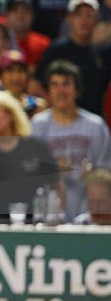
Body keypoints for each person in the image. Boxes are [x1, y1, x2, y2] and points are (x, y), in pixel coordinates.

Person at [30, 60, 111, 221]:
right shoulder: (38, 125)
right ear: (48, 91)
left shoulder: (95, 126)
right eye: (55, 85)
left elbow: (107, 173)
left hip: (89, 214)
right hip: (50, 214)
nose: (61, 90)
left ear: (77, 89)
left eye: (66, 84)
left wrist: (92, 175)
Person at [0, 89, 61, 224]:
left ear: (11, 113)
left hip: (31, 225)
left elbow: (56, 184)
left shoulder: (35, 147)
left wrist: (54, 216)